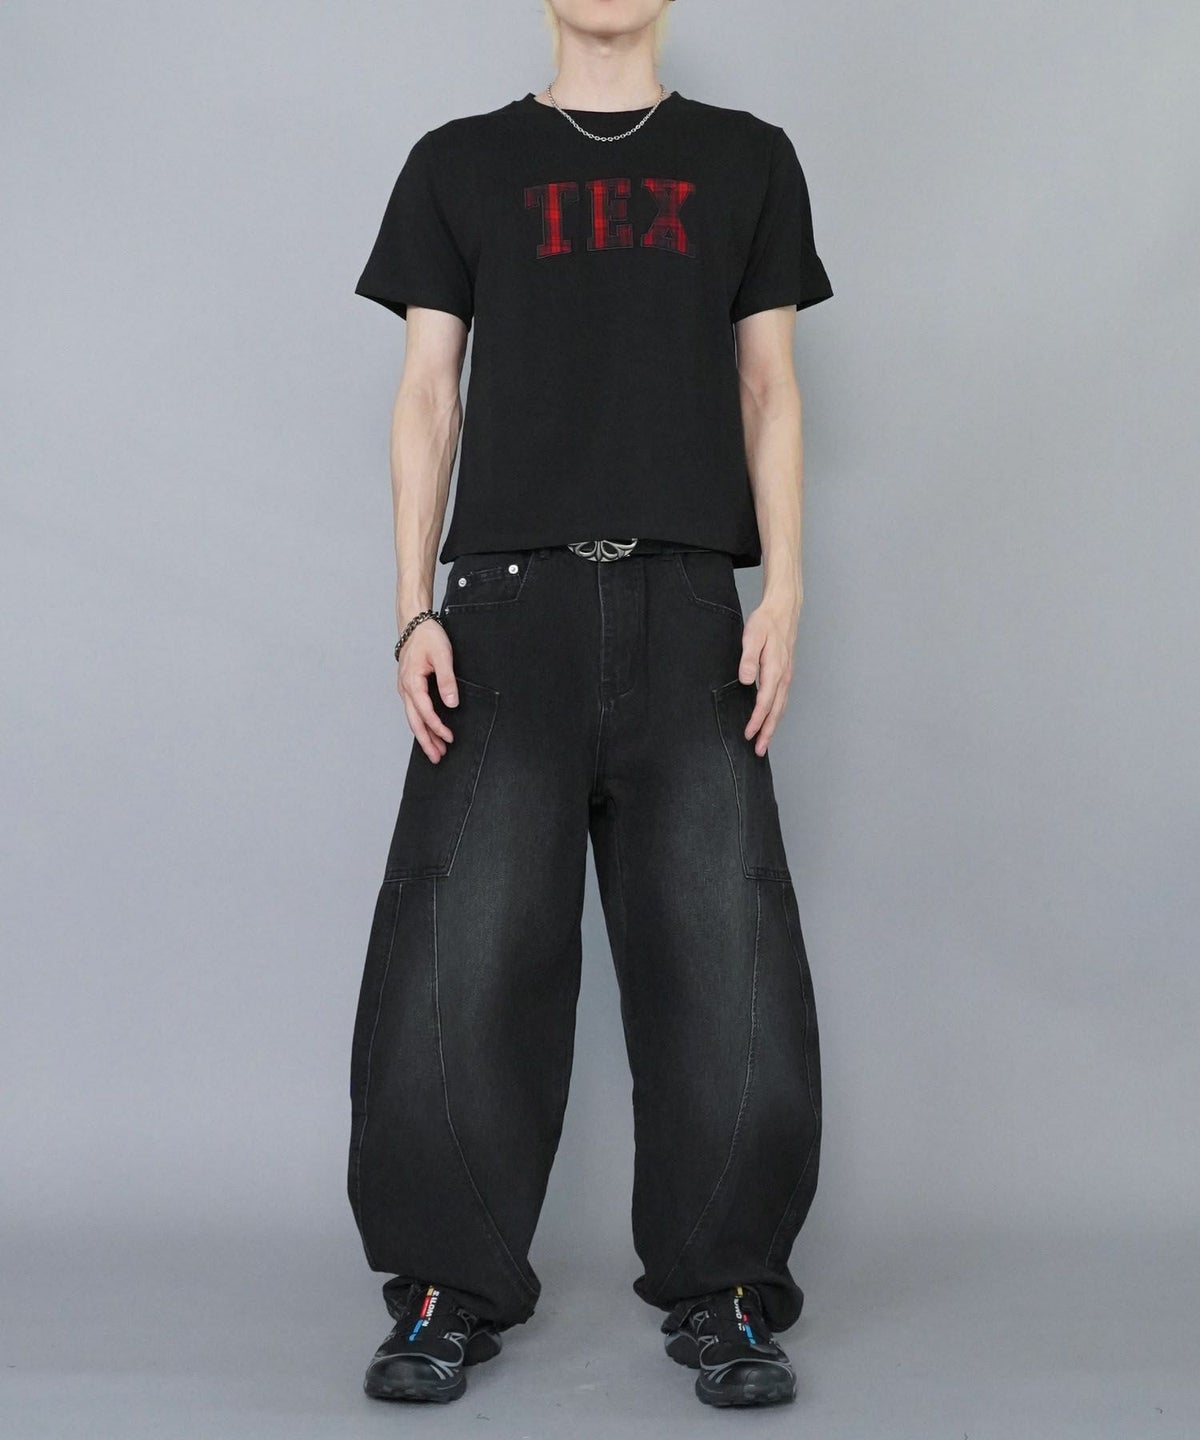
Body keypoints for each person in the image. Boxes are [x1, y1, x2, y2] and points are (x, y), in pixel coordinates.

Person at [347, 0, 832, 1410]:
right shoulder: (458, 160)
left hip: (692, 607)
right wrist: (412, 607)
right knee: (461, 963)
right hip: (504, 611)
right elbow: (427, 393)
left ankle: (728, 1289)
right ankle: (442, 1289)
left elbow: (769, 388)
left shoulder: (749, 158)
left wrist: (785, 590)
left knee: (726, 961)